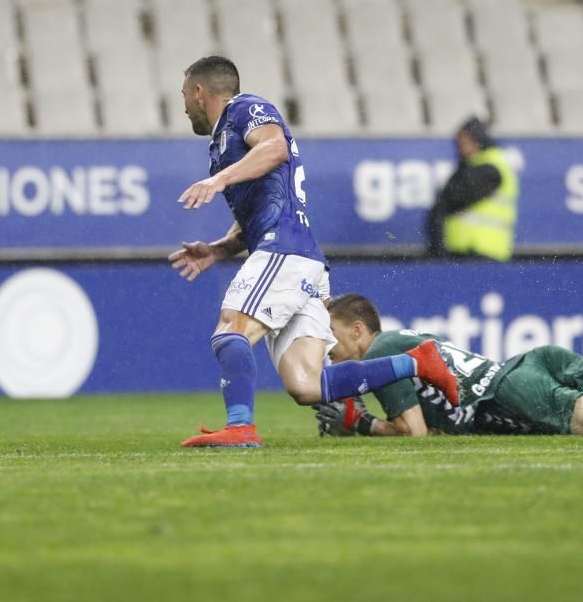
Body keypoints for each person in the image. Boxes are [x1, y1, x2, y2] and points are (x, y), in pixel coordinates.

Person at [170, 56, 456, 448]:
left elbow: (274, 149)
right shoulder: (222, 146)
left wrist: (217, 180)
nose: (183, 104)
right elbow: (262, 209)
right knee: (306, 384)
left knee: (230, 329)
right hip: (299, 257)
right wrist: (218, 249)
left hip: (284, 251)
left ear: (200, 92)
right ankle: (418, 362)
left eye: (184, 94)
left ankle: (240, 427)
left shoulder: (246, 109)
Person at [314, 294, 583, 438]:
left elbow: (416, 433)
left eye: (330, 333)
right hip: (528, 366)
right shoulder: (400, 338)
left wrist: (361, 424)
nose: (326, 347)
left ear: (356, 329)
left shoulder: (379, 358)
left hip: (510, 393)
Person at [426, 116, 518, 262]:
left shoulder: (489, 169)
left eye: (463, 142)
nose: (459, 148)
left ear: (477, 140)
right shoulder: (489, 164)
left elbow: (451, 198)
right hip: (476, 253)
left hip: (480, 252)